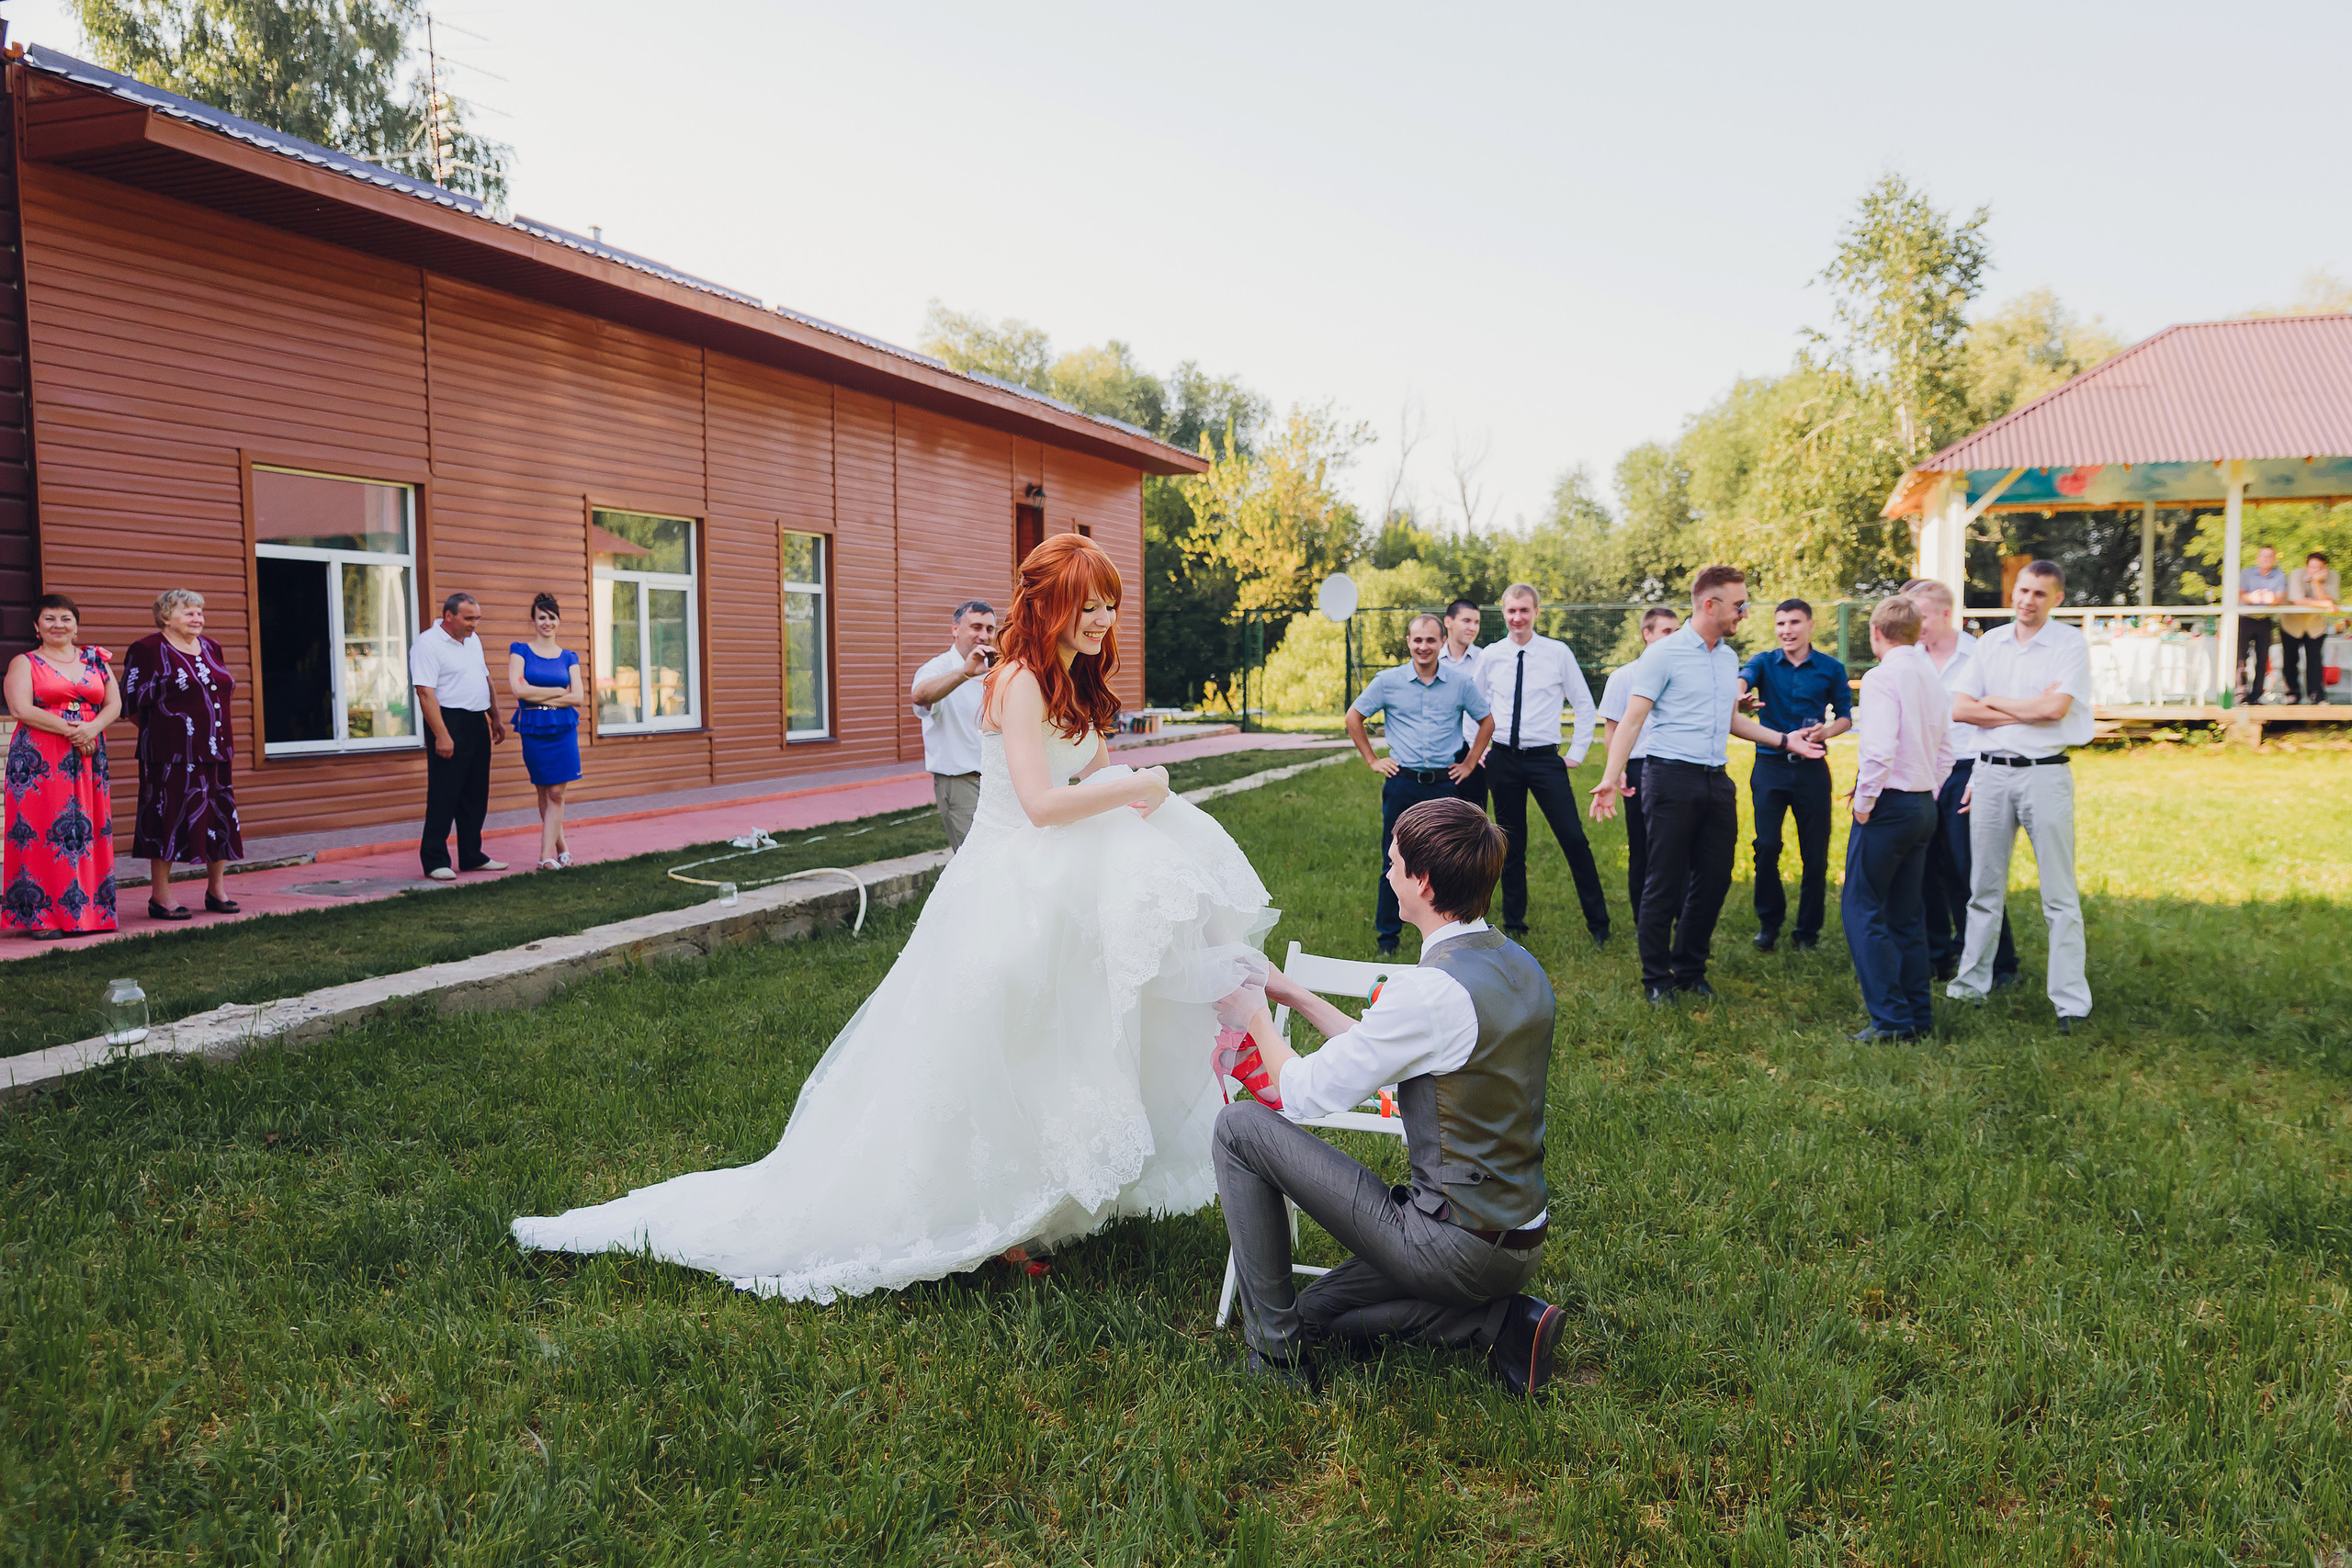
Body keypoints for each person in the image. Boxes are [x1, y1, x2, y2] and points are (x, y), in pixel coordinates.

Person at [514, 534, 1282, 1301]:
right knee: (996, 1049)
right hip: (1009, 882)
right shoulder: (1014, 680)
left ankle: (1085, 1159)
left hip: (1058, 880)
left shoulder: (1075, 679)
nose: (1102, 619)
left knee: (1064, 1031)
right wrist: (1131, 790)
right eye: (1089, 605)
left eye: (1110, 606)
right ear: (1049, 605)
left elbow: (1097, 774)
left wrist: (1138, 797)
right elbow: (1043, 804)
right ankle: (987, 1203)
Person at [1213, 796, 1566, 1394]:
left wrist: (1257, 1019)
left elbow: (1299, 1093)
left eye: (1394, 863)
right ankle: (1500, 1320)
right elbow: (1393, 1050)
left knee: (1240, 1128)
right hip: (1517, 1239)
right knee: (1314, 1314)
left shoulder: (1429, 991)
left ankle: (1275, 1363)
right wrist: (1293, 994)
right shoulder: (1517, 963)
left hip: (1455, 1244)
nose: (1387, 874)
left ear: (1422, 883)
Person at [1588, 566, 1824, 1005]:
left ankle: (1690, 968)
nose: (1745, 613)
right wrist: (1608, 777)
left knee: (1714, 880)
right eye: (1739, 605)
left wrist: (1783, 739)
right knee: (1664, 880)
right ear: (1710, 605)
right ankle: (1657, 979)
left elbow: (1730, 720)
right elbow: (1632, 719)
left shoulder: (1727, 657)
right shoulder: (1665, 654)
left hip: (1717, 782)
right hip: (1670, 778)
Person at [1948, 559, 2096, 1032]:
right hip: (1990, 775)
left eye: (2039, 594)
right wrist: (2024, 712)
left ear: (2057, 600)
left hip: (2044, 775)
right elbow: (1960, 708)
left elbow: (2055, 709)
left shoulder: (2069, 644)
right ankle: (1970, 986)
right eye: (2023, 590)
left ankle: (2070, 1002)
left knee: (2059, 895)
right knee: (1983, 889)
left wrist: (1994, 702)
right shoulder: (1990, 643)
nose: (2027, 600)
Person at [1474, 583, 1611, 948]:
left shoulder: (1557, 653)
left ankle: (1599, 924)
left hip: (1545, 760)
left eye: (1524, 610)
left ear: (1536, 612)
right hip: (1502, 759)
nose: (1517, 617)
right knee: (1509, 843)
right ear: (1503, 613)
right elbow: (1472, 706)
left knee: (1574, 838)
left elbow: (1584, 704)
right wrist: (1479, 751)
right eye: (1511, 611)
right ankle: (1514, 923)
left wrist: (1577, 751)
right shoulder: (1491, 656)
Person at [1347, 614, 1493, 958]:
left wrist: (1470, 763)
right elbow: (1354, 717)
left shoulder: (1460, 683)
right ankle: (1388, 936)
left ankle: (1452, 930)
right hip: (1403, 784)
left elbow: (1486, 721)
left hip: (1444, 785)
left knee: (1450, 860)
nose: (1423, 646)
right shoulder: (1388, 681)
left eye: (1430, 640)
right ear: (1408, 642)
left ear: (1443, 642)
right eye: (1417, 640)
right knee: (1394, 857)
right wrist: (1372, 759)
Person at [1840, 597, 1952, 1042]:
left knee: (1861, 908)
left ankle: (1889, 1020)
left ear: (1876, 633)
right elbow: (1946, 750)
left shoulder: (1881, 677)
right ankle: (1917, 1017)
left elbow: (1879, 747)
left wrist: (1865, 801)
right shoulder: (1931, 677)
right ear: (1915, 632)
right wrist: (1929, 789)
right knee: (1907, 915)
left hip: (1889, 805)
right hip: (1924, 803)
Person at [1901, 579, 2018, 987]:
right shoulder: (1908, 657)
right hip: (1919, 770)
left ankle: (1999, 964)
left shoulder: (1978, 654)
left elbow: (1995, 715)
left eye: (1923, 616)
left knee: (1971, 869)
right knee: (1925, 867)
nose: (1916, 624)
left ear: (1947, 614)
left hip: (1967, 770)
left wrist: (1982, 773)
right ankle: (1938, 956)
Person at [1737, 599, 1852, 953]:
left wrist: (1827, 733)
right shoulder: (1762, 662)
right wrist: (1740, 698)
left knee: (1815, 854)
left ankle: (1807, 933)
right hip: (1770, 766)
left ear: (1811, 625)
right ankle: (1769, 924)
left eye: (1794, 622)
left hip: (1812, 769)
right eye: (1781, 623)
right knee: (1766, 846)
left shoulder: (1831, 668)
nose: (1787, 630)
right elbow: (1740, 684)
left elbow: (1846, 716)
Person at [3, 593, 121, 937]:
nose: (58, 625)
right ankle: (42, 917)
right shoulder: (24, 662)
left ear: (76, 625)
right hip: (40, 759)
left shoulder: (96, 659)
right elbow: (21, 709)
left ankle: (90, 915)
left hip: (88, 753)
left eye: (65, 618)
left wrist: (93, 729)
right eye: (49, 618)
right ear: (36, 627)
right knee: (43, 832)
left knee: (89, 829)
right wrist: (75, 732)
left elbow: (113, 704)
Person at [122, 589, 243, 919]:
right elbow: (130, 703)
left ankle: (216, 890)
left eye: (200, 612)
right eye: (188, 612)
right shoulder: (147, 650)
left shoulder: (212, 647)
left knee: (219, 818)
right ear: (165, 617)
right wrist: (166, 732)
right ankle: (161, 896)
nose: (198, 618)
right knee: (167, 819)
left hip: (216, 749)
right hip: (169, 755)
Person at [411, 592, 508, 882]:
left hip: (476, 720)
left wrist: (496, 716)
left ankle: (472, 855)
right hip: (448, 721)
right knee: (445, 792)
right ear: (449, 615)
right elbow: (425, 692)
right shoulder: (428, 644)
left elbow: (485, 677)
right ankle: (434, 859)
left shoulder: (472, 640)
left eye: (477, 618)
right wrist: (442, 734)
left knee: (476, 793)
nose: (474, 624)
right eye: (469, 618)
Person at [1597, 605, 1680, 915]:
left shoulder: (1679, 675)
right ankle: (1643, 914)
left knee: (1675, 843)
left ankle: (1676, 911)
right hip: (1637, 767)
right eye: (1666, 631)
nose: (1673, 638)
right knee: (1642, 845)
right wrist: (1615, 771)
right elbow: (1613, 728)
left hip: (1675, 766)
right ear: (1647, 635)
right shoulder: (1624, 677)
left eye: (1677, 631)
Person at [910, 599, 997, 850]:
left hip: (997, 780)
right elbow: (920, 695)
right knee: (976, 860)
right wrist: (965, 673)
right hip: (960, 783)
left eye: (990, 629)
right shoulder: (938, 668)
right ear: (955, 629)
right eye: (976, 627)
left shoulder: (995, 669)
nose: (984, 635)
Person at [507, 592, 583, 872]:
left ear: (559, 621)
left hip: (563, 729)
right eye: (541, 617)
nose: (546, 622)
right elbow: (518, 690)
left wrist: (536, 694)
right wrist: (554, 692)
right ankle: (560, 849)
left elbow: (578, 697)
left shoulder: (569, 656)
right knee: (544, 791)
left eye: (552, 617)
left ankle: (544, 857)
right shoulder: (520, 650)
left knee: (557, 793)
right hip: (534, 728)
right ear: (533, 620)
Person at [1439, 597, 1489, 811]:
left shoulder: (1486, 659)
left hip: (1476, 751)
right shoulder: (1430, 660)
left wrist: (1483, 750)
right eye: (1467, 621)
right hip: (1439, 750)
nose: (1473, 627)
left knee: (1473, 818)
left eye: (1476, 622)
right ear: (1448, 622)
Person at [2281, 552, 2340, 705]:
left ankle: (2317, 696)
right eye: (2312, 566)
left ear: (2325, 567)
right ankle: (2292, 694)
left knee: (2314, 661)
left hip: (2315, 626)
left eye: (2319, 567)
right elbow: (2297, 601)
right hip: (2291, 625)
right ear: (2306, 566)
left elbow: (2330, 601)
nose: (2315, 570)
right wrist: (2325, 604)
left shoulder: (2333, 577)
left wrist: (2316, 583)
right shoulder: (2296, 575)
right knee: (2290, 660)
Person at [2236, 544, 2288, 703]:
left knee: (2262, 660)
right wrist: (2251, 598)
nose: (2266, 559)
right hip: (2245, 619)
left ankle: (2257, 694)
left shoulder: (2279, 576)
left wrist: (2271, 600)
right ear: (2258, 558)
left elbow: (2279, 598)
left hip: (2265, 620)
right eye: (2263, 556)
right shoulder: (2246, 573)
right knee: (2240, 659)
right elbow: (2239, 595)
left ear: (2274, 558)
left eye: (2270, 556)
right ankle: (2240, 694)